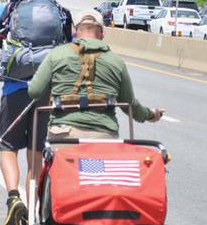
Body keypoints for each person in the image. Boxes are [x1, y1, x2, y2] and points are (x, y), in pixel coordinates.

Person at [0, 0, 72, 225]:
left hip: (14, 88)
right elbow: (72, 49)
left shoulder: (7, 10)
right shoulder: (60, 13)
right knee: (36, 154)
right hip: (46, 92)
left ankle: (13, 197)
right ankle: (31, 217)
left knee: (7, 146)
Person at [27, 9, 164, 141]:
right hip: (104, 136)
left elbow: (34, 91)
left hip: (63, 134)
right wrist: (150, 114)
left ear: (74, 31)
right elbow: (129, 105)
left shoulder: (56, 55)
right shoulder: (117, 62)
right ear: (102, 33)